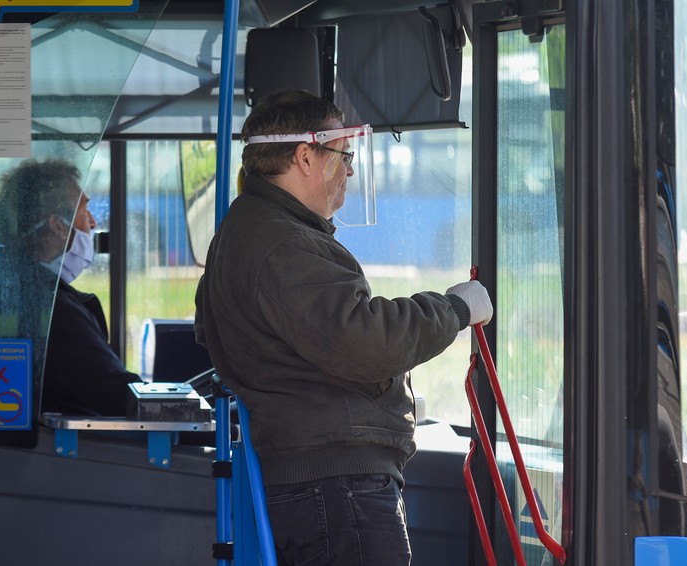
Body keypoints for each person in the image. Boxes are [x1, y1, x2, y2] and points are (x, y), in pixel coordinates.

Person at [194, 89, 493, 565]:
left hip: (320, 480)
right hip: (336, 485)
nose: (350, 170)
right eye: (344, 154)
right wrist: (455, 309)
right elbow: (366, 341)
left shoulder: (254, 230)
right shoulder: (281, 242)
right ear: (305, 157)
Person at [0, 158, 140, 416]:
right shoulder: (51, 307)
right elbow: (116, 395)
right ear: (58, 226)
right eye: (84, 210)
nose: (93, 222)